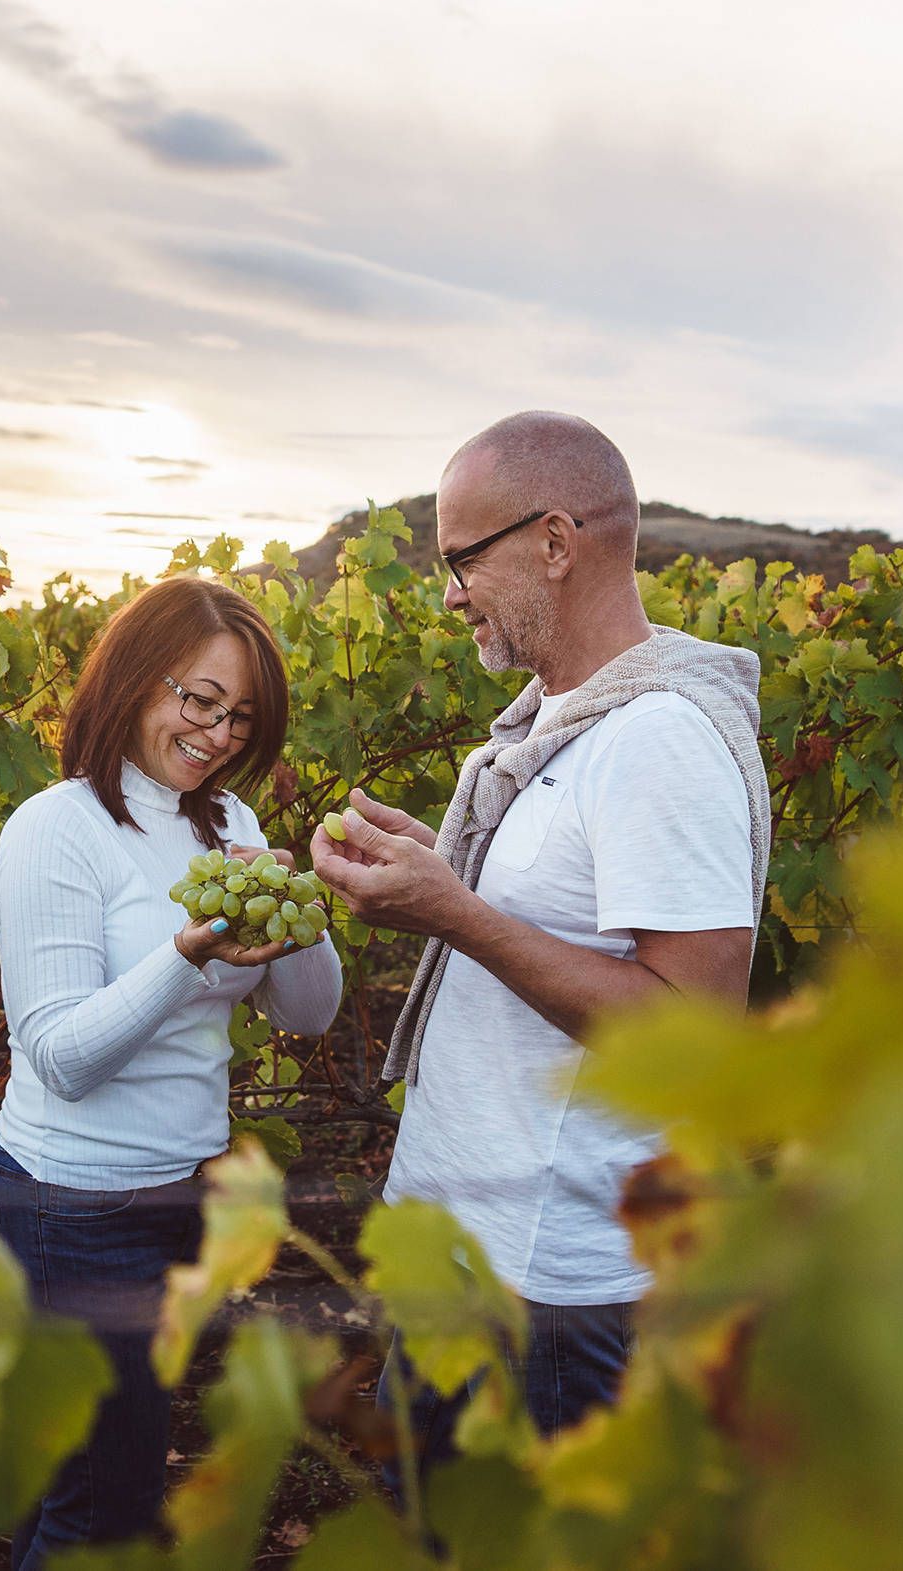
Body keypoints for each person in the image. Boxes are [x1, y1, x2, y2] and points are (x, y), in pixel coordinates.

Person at [310, 410, 768, 1455]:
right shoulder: (571, 723)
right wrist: (441, 867)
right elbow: (560, 919)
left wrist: (454, 910)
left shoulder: (658, 740)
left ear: (556, 543)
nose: (449, 589)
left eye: (462, 557)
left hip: (549, 1285)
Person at [0, 576, 344, 1571]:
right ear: (139, 679)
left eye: (240, 716)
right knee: (106, 1502)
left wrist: (296, 905)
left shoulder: (227, 825)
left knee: (90, 1480)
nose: (220, 732)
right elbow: (59, 1056)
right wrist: (186, 954)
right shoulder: (56, 829)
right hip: (70, 1207)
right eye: (199, 698)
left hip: (174, 1201)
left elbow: (308, 1013)